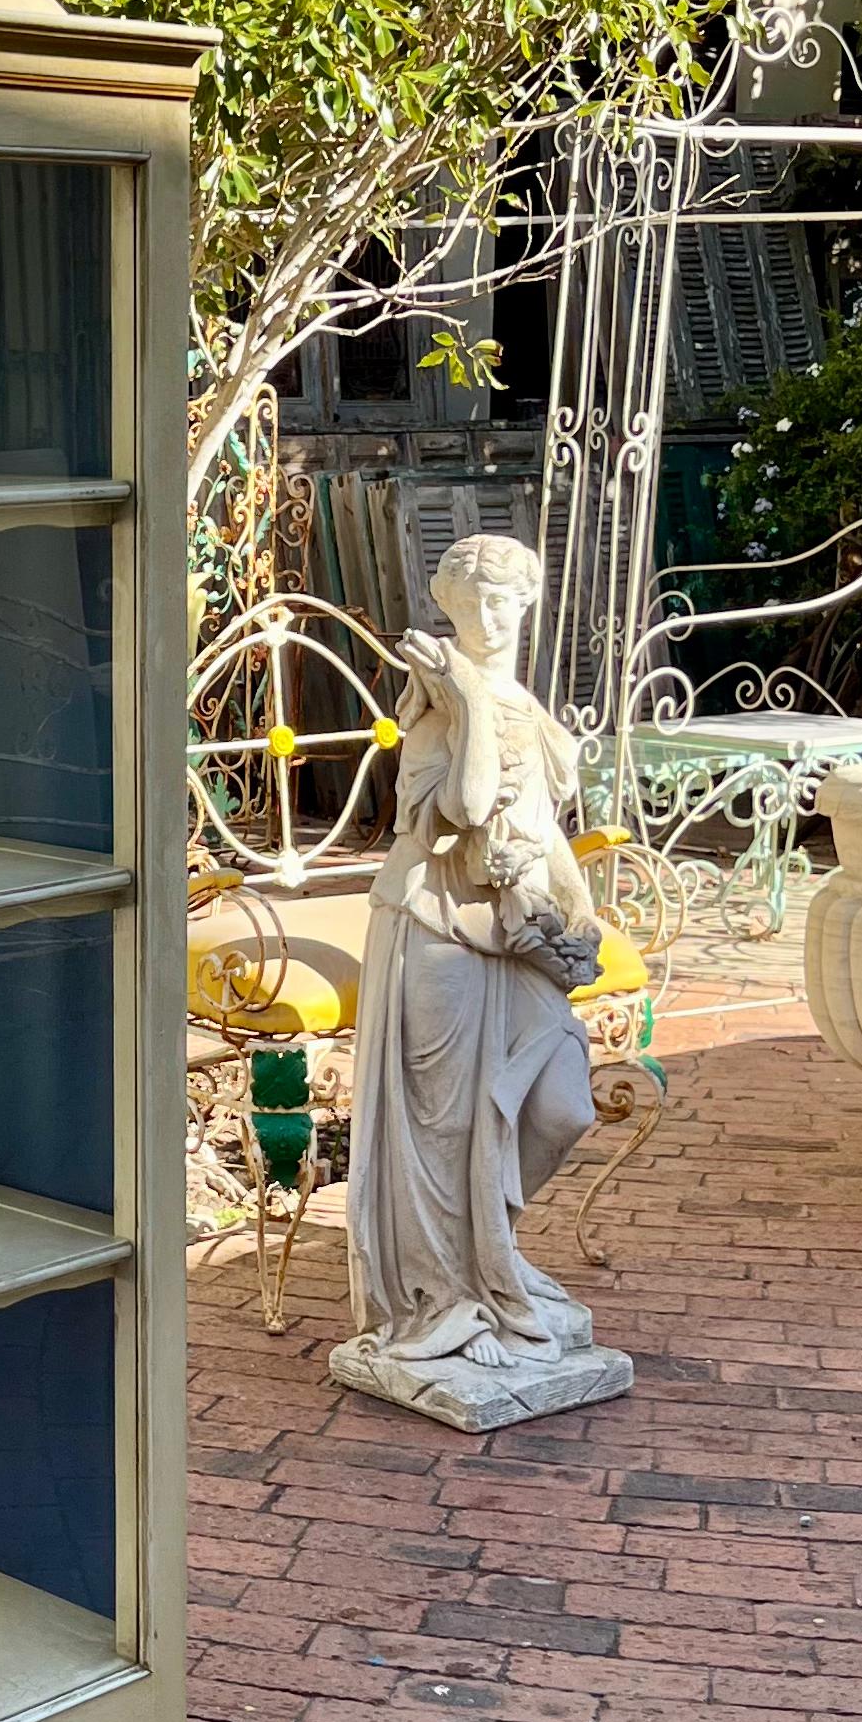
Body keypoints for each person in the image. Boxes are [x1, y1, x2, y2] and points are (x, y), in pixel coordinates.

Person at [332, 531, 632, 1427]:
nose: (495, 618)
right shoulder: (436, 713)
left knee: (563, 1106)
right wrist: (460, 695)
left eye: (510, 601)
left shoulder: (527, 705)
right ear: (451, 607)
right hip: (441, 929)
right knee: (443, 1127)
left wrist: (573, 917)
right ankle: (449, 1290)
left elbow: (542, 822)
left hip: (522, 938)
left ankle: (487, 1255)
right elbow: (458, 814)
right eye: (477, 603)